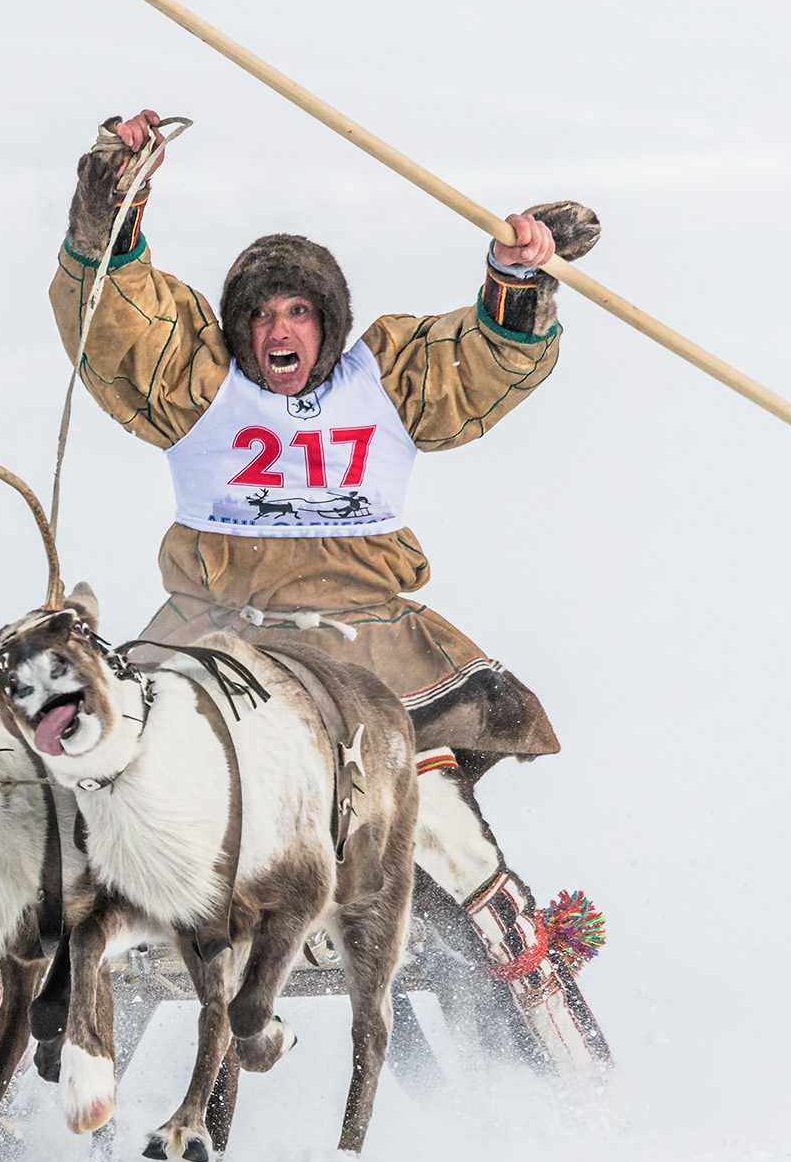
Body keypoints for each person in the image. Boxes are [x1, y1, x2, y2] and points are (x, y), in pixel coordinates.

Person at [50, 109, 610, 1076]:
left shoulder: (386, 376)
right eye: (263, 315)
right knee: (87, 826)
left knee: (444, 839)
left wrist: (520, 276)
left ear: (329, 324)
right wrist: (113, 203)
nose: (279, 331)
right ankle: (1, 1077)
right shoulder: (197, 380)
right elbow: (118, 318)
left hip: (376, 653)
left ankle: (561, 1075)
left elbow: (480, 363)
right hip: (216, 647)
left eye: (299, 313)